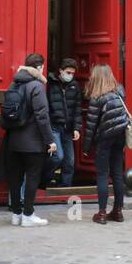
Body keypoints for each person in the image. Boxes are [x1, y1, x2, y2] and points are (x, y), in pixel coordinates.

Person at [2, 52, 56, 227]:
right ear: (39, 68)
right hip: (32, 142)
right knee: (32, 177)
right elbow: (42, 116)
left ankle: (16, 214)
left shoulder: (14, 83)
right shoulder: (36, 86)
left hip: (13, 140)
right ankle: (28, 214)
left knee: (15, 179)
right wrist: (50, 140)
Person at [83, 63, 129, 224]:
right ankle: (118, 211)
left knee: (102, 174)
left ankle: (102, 213)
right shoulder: (119, 92)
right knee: (117, 173)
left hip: (105, 138)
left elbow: (91, 125)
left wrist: (86, 148)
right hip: (120, 135)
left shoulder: (97, 97)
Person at [46, 57, 82, 188]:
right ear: (60, 71)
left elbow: (77, 108)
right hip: (54, 126)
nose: (70, 75)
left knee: (70, 161)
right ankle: (45, 179)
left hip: (68, 128)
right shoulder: (50, 84)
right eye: (68, 72)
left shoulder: (75, 86)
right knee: (58, 156)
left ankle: (65, 186)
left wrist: (77, 128)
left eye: (72, 73)